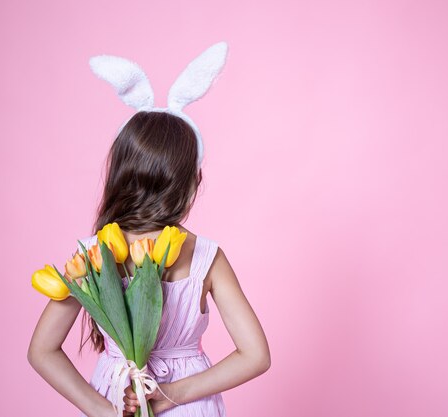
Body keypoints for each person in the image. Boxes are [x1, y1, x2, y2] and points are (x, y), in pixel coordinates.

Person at [27, 110, 271, 417]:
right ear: (191, 182)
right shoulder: (207, 257)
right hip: (188, 406)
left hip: (116, 397)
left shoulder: (92, 256)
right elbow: (256, 355)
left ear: (120, 175)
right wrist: (173, 394)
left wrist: (102, 410)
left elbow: (41, 350)